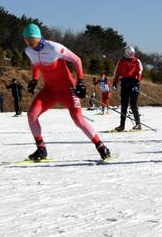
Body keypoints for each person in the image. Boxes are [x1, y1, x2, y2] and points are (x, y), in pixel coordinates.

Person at [22, 23, 110, 161]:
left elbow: (76, 60)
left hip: (68, 90)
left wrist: (80, 82)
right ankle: (41, 149)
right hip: (50, 90)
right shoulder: (29, 51)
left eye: (31, 40)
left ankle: (101, 146)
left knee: (78, 119)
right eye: (26, 40)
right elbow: (34, 64)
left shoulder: (54, 48)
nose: (29, 43)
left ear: (38, 37)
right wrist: (34, 80)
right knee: (31, 115)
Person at [112, 46, 143, 131]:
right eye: (130, 53)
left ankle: (138, 124)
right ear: (126, 53)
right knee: (124, 106)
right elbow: (117, 73)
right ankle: (122, 126)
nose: (132, 55)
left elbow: (139, 72)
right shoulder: (121, 61)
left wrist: (137, 81)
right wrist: (114, 83)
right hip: (125, 84)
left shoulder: (137, 61)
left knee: (133, 105)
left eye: (133, 53)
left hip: (134, 84)